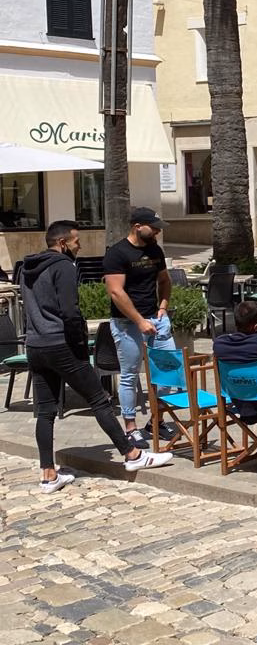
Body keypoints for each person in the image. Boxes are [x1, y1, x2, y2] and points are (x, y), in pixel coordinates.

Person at [23, 221, 174, 492]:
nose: (79, 245)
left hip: (35, 346)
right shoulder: (63, 267)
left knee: (45, 412)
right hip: (61, 344)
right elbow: (70, 311)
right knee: (99, 400)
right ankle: (133, 455)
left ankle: (48, 474)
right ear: (62, 243)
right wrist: (80, 345)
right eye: (75, 240)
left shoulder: (27, 268)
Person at [103, 207, 177, 449]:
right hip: (127, 323)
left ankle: (157, 421)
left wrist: (163, 307)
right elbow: (116, 291)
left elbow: (164, 280)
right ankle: (131, 427)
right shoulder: (117, 253)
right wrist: (139, 321)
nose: (157, 231)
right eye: (153, 227)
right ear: (137, 226)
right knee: (129, 375)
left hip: (156, 319)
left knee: (168, 371)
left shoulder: (156, 250)